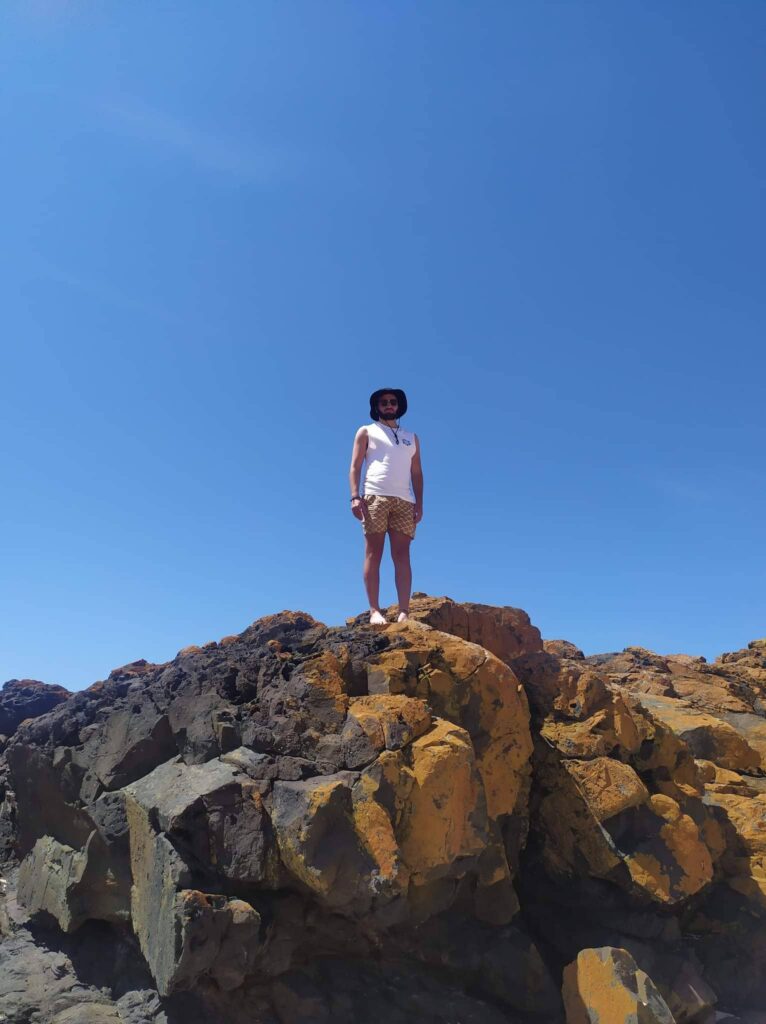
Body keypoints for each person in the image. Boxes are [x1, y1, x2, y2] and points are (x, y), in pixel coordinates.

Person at [348, 388, 423, 625]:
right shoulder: (366, 431)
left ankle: (404, 612)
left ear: (399, 405)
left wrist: (419, 503)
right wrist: (354, 496)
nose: (389, 405)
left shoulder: (412, 437)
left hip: (405, 500)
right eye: (383, 402)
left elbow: (417, 473)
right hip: (375, 496)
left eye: (392, 401)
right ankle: (374, 610)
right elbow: (355, 466)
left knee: (402, 555)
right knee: (374, 552)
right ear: (377, 407)